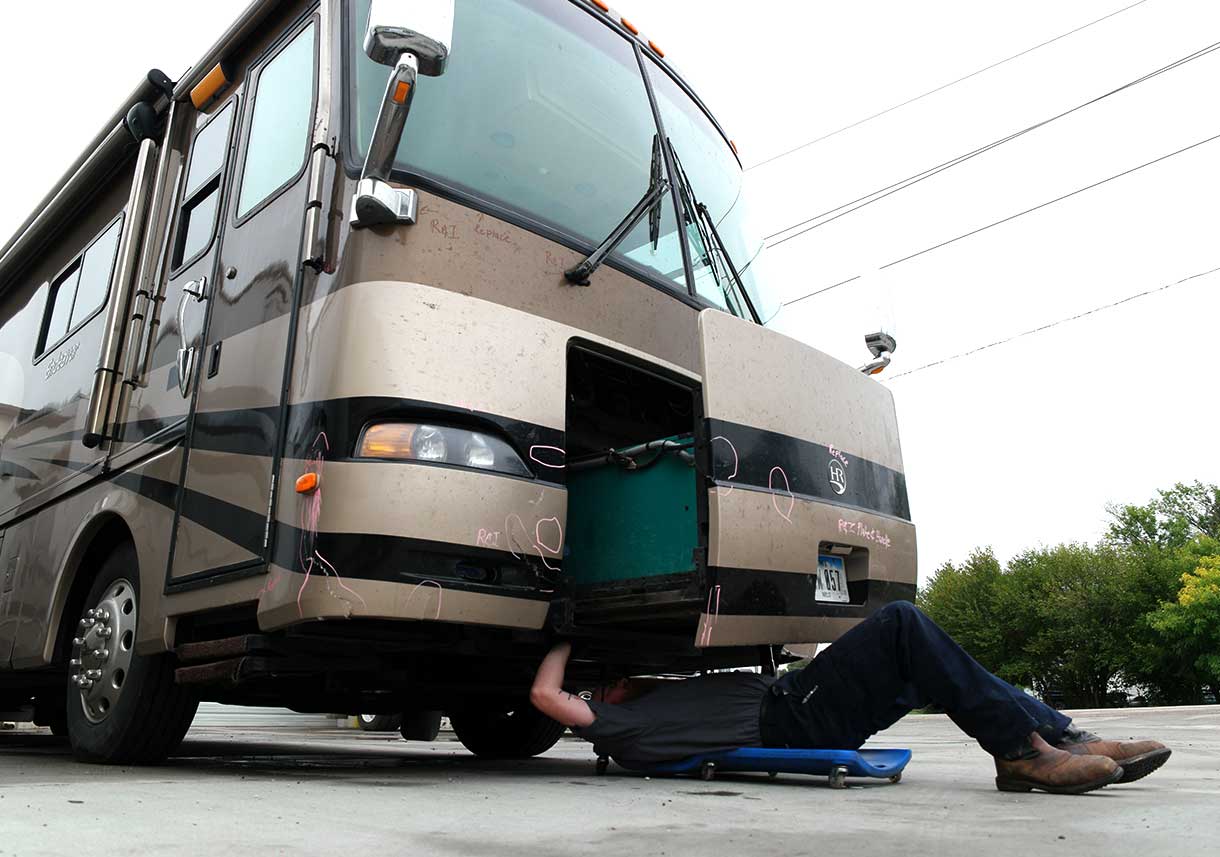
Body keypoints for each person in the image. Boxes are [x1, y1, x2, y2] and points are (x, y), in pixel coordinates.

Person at [529, 600, 1170, 794]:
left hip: (801, 706)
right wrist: (564, 634)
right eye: (600, 690)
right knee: (899, 622)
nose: (610, 686)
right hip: (792, 715)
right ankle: (1023, 751)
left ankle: (1057, 738)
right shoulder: (623, 730)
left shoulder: (655, 700)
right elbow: (545, 694)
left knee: (930, 667)